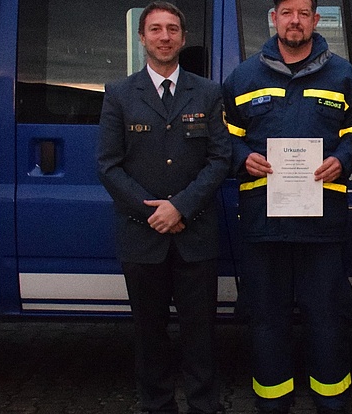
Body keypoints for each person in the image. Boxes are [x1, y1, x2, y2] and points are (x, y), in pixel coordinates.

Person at [220, 0, 352, 412]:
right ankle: (273, 404)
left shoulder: (342, 74)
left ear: (317, 20)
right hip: (264, 223)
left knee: (328, 320)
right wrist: (241, 157)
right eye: (287, 13)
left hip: (322, 225)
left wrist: (343, 157)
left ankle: (332, 404)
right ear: (274, 18)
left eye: (303, 13)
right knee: (266, 322)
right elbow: (226, 135)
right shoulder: (244, 76)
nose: (295, 21)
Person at [96, 2, 231, 413]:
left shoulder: (207, 92)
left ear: (183, 38)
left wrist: (181, 208)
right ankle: (156, 405)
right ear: (142, 38)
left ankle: (204, 405)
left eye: (172, 29)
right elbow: (108, 165)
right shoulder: (119, 94)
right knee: (149, 333)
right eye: (155, 29)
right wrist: (154, 211)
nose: (164, 36)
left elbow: (219, 159)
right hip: (143, 235)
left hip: (196, 234)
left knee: (200, 334)